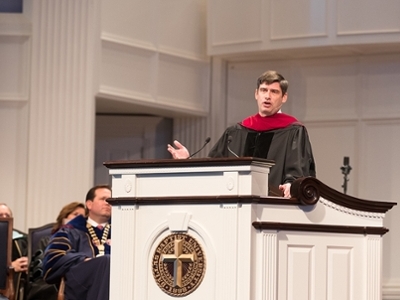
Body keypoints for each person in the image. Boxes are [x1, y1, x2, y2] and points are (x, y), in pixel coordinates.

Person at [168, 70, 316, 197]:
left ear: (284, 97)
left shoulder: (293, 130)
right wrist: (187, 161)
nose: (268, 96)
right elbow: (213, 167)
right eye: (264, 90)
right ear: (256, 94)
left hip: (274, 207)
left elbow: (298, 169)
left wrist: (291, 185)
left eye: (274, 91)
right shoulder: (236, 132)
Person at [43, 185, 112, 300]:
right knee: (106, 260)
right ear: (89, 204)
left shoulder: (122, 231)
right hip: (81, 285)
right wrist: (84, 260)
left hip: (117, 281)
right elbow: (54, 258)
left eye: (110, 200)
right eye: (103, 199)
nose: (107, 203)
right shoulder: (70, 230)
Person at [27, 201, 86, 300]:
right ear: (64, 218)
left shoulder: (85, 241)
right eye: (76, 214)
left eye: (83, 217)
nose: (79, 219)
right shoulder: (47, 240)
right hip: (49, 285)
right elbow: (42, 272)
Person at [0, 203, 29, 300]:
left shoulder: (22, 238)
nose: (4, 218)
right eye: (0, 215)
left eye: (7, 215)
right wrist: (10, 267)